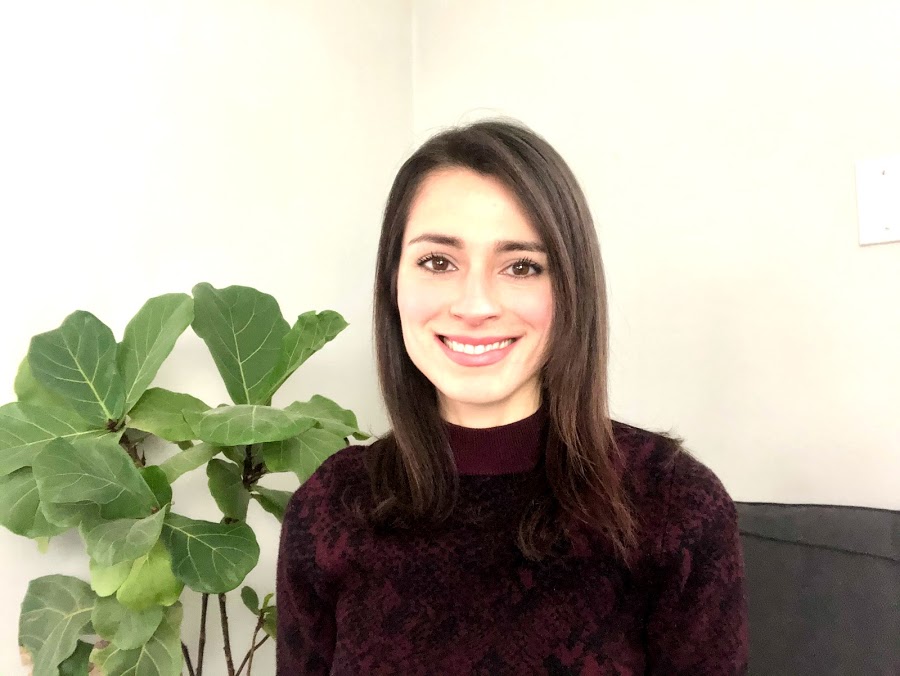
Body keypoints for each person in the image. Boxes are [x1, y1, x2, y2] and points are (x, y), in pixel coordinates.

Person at [276, 120, 749, 675]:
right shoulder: (328, 507)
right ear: (393, 283)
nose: (475, 305)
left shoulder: (674, 504)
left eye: (521, 267)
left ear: (570, 291)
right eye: (438, 262)